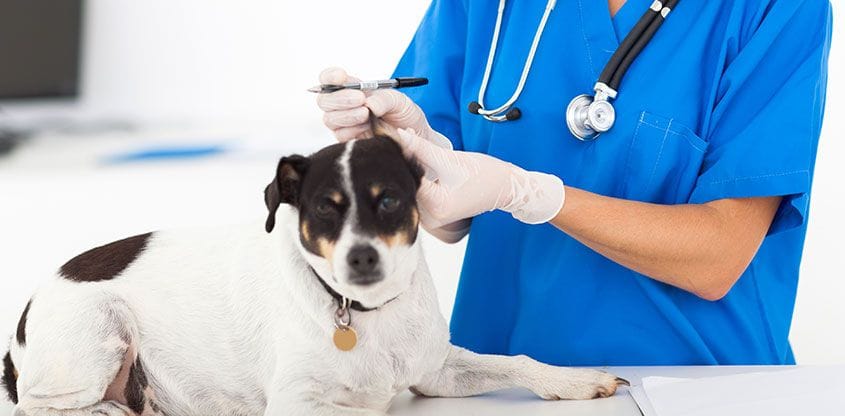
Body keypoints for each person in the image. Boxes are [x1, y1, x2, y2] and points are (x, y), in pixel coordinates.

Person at [315, 0, 832, 365]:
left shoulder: (777, 8)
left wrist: (537, 196)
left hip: (691, 393)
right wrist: (409, 156)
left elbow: (718, 257)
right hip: (506, 381)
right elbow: (448, 215)